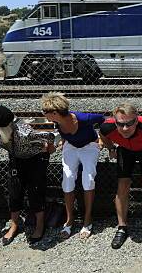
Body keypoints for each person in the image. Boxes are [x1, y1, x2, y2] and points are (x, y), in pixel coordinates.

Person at [0, 73, 55, 245]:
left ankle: (39, 225)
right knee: (14, 191)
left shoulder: (24, 133)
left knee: (36, 192)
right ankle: (14, 224)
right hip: (16, 158)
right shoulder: (3, 116)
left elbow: (48, 139)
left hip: (35, 158)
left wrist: (48, 149)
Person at [99, 103, 142, 250]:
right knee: (122, 187)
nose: (125, 128)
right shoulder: (107, 127)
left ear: (136, 120)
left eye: (129, 123)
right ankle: (122, 227)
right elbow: (102, 135)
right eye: (120, 124)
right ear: (115, 121)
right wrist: (111, 148)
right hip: (125, 150)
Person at [40, 92, 105, 239]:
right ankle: (69, 220)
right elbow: (63, 132)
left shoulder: (82, 118)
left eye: (45, 112)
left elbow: (102, 119)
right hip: (71, 146)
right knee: (68, 179)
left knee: (88, 178)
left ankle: (87, 219)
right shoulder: (57, 122)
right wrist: (64, 140)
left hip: (89, 145)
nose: (44, 115)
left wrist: (101, 138)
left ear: (55, 112)